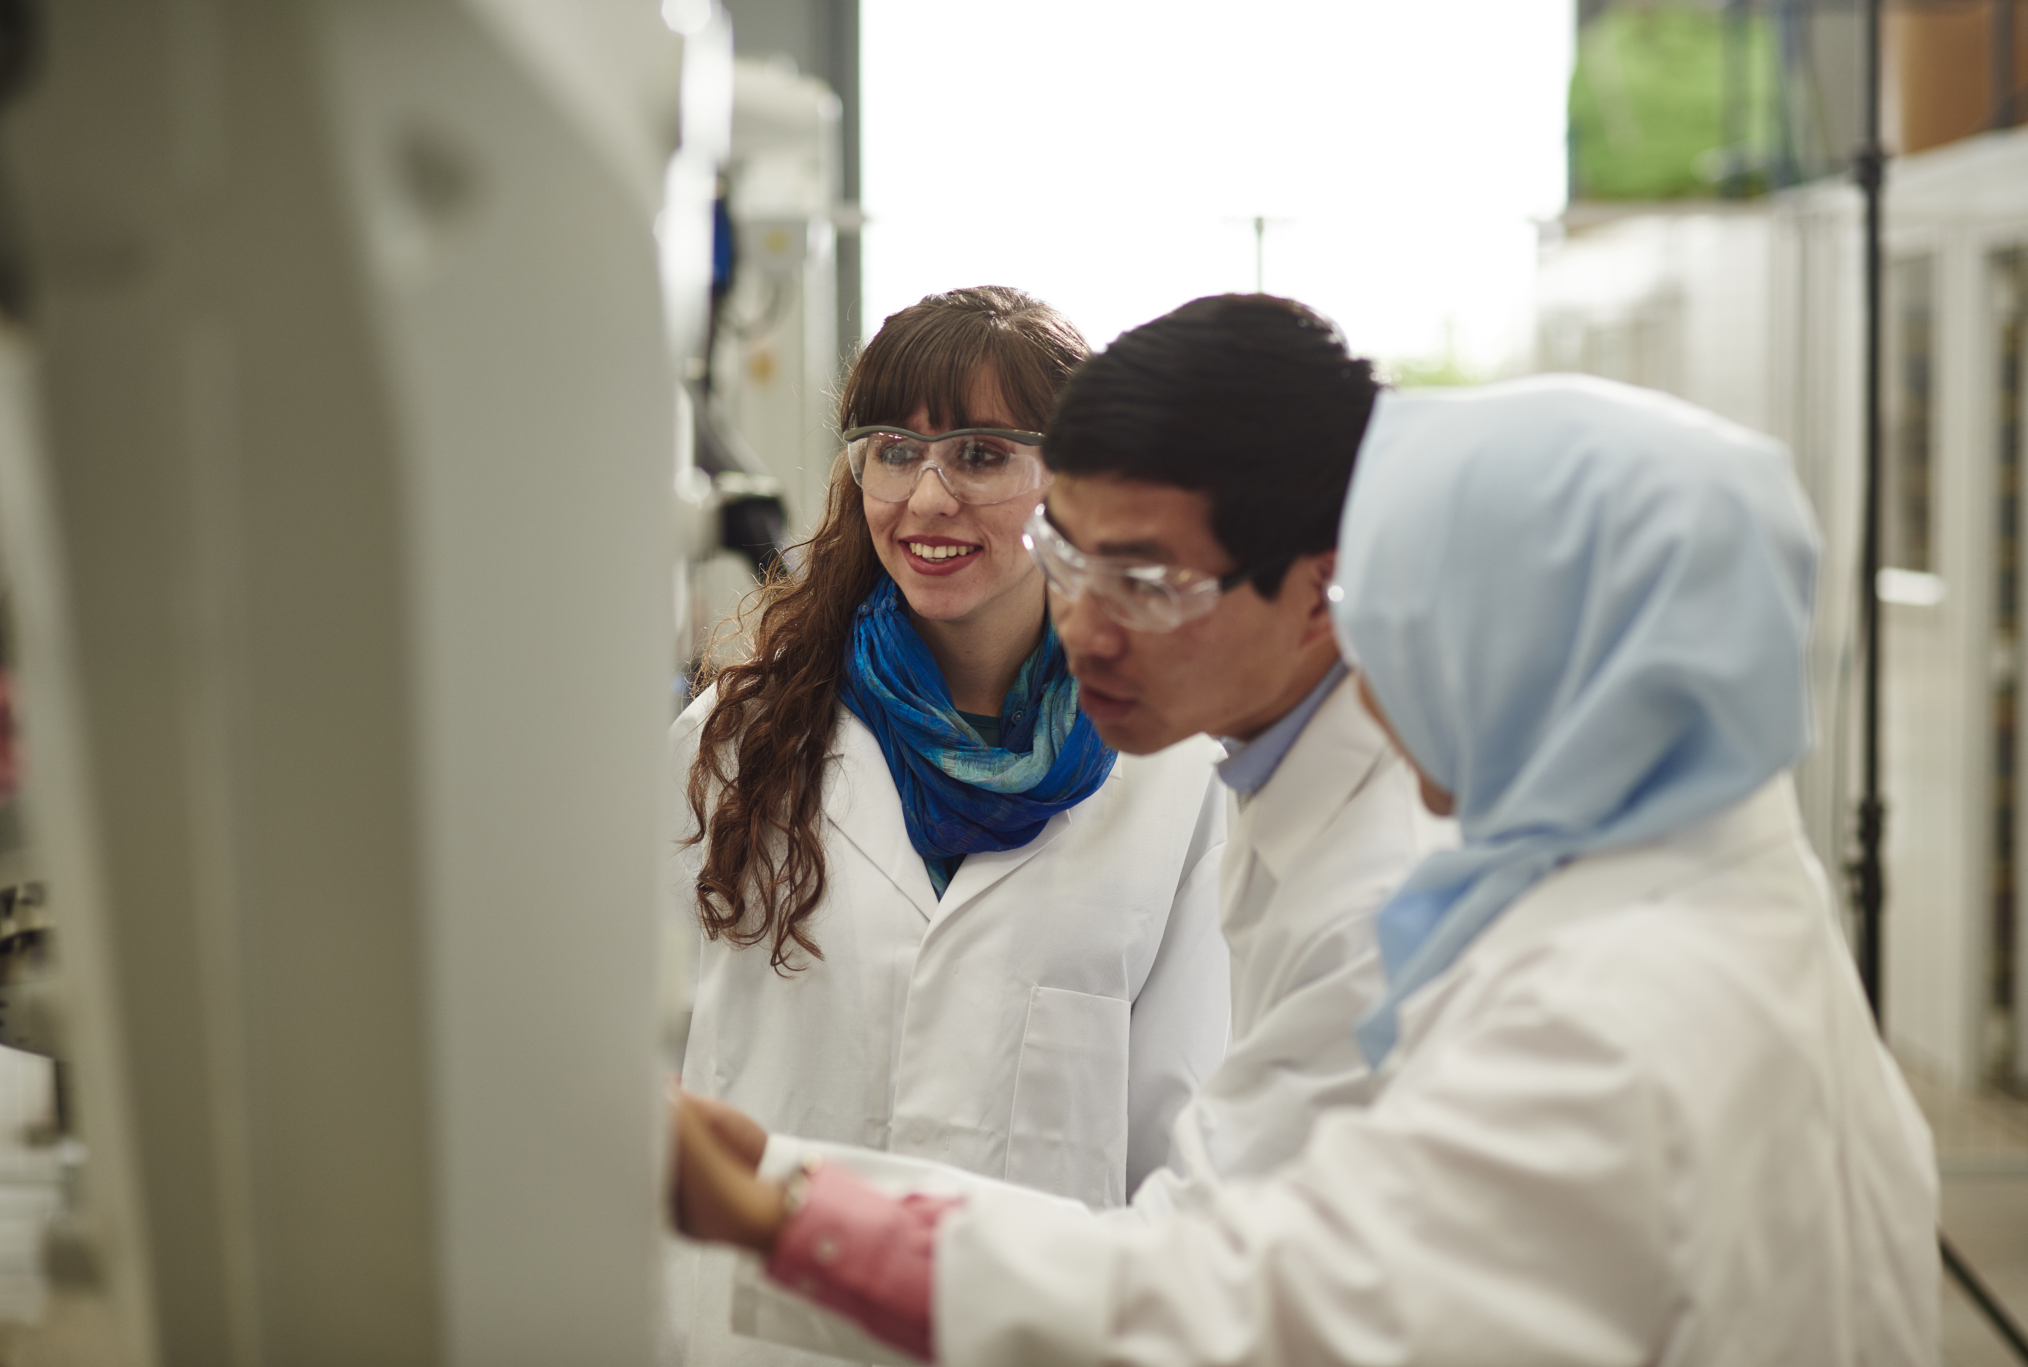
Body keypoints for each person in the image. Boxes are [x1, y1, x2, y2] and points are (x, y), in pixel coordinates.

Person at [676, 372, 1941, 1366]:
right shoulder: (1717, 887)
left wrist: (795, 1212)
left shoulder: (1605, 1014)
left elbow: (1252, 1307)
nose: (1369, 667)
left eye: (1414, 613)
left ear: (1573, 645)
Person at [668, 287, 1233, 1367]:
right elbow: (620, 1054)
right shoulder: (737, 742)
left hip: (1032, 1332)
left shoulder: (1174, 770)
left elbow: (1183, 1130)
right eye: (891, 450)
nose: (926, 497)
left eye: (979, 455)